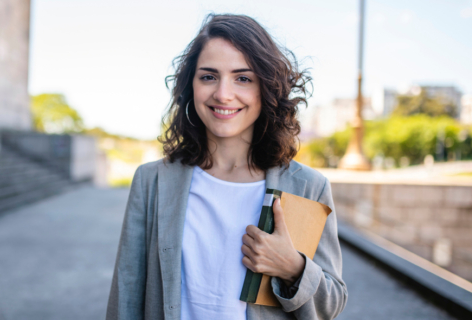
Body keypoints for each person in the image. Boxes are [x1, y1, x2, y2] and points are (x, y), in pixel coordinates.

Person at [106, 13, 347, 320]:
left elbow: (332, 305)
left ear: (266, 88)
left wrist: (293, 268)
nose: (223, 94)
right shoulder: (151, 181)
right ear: (190, 86)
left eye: (243, 78)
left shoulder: (308, 186)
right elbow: (126, 295)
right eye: (208, 76)